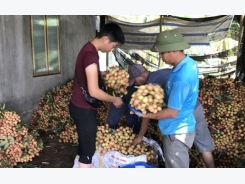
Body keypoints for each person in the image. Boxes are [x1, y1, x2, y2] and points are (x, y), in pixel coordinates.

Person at [107, 64, 215, 168]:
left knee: (176, 154)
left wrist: (140, 136)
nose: (136, 84)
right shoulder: (164, 72)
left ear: (141, 76)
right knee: (204, 146)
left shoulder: (150, 87)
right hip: (195, 108)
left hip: (180, 116)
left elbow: (147, 116)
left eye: (135, 81)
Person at [139, 29, 199, 168]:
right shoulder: (188, 63)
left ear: (173, 50)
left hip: (176, 132)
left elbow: (172, 112)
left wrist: (146, 115)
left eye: (162, 52)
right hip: (181, 126)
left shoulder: (182, 77)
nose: (160, 56)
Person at [69, 22, 125, 168]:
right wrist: (114, 99)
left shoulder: (87, 49)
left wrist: (102, 73)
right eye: (114, 46)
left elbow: (87, 72)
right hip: (84, 110)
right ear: (105, 39)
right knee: (88, 152)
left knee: (84, 146)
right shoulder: (90, 55)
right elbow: (94, 91)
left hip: (78, 105)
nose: (112, 49)